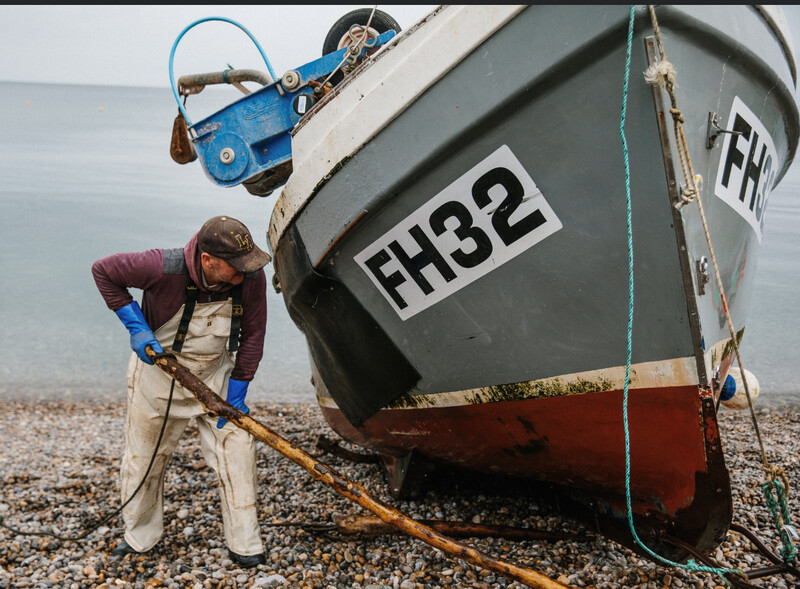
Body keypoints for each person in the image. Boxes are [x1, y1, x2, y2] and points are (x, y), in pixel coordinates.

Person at [92, 215, 271, 568]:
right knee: (144, 460)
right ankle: (140, 536)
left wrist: (238, 389)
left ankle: (245, 544)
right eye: (236, 268)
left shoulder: (249, 277)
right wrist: (135, 326)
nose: (245, 273)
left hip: (215, 378)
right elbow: (103, 271)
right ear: (208, 261)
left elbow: (253, 334)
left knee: (239, 452)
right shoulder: (160, 267)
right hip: (158, 378)